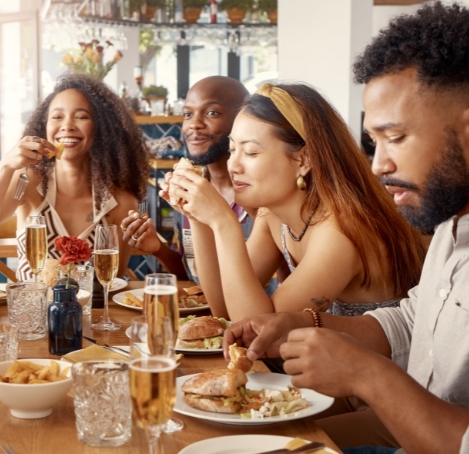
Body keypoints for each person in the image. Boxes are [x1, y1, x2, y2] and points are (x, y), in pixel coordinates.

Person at [224, 2, 469, 454]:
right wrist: (309, 324)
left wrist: (365, 374)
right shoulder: (452, 223)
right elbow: (409, 320)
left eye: (394, 137)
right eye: (372, 142)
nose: (378, 166)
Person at [167, 81, 425, 321]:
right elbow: (223, 309)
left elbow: (261, 331)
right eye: (232, 150)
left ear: (303, 160)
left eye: (251, 152)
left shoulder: (341, 231)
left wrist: (223, 222)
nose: (233, 165)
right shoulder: (273, 216)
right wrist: (196, 216)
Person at [120, 76, 283, 301]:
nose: (194, 123)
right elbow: (194, 275)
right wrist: (157, 248)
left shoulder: (263, 199)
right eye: (188, 114)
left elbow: (240, 297)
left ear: (243, 121)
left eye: (211, 112)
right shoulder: (189, 190)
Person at [0, 73, 147, 279]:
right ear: (45, 127)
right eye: (57, 117)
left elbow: (111, 283)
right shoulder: (28, 182)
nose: (67, 125)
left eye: (81, 116)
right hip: (32, 310)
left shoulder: (121, 203)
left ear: (100, 129)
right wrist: (6, 166)